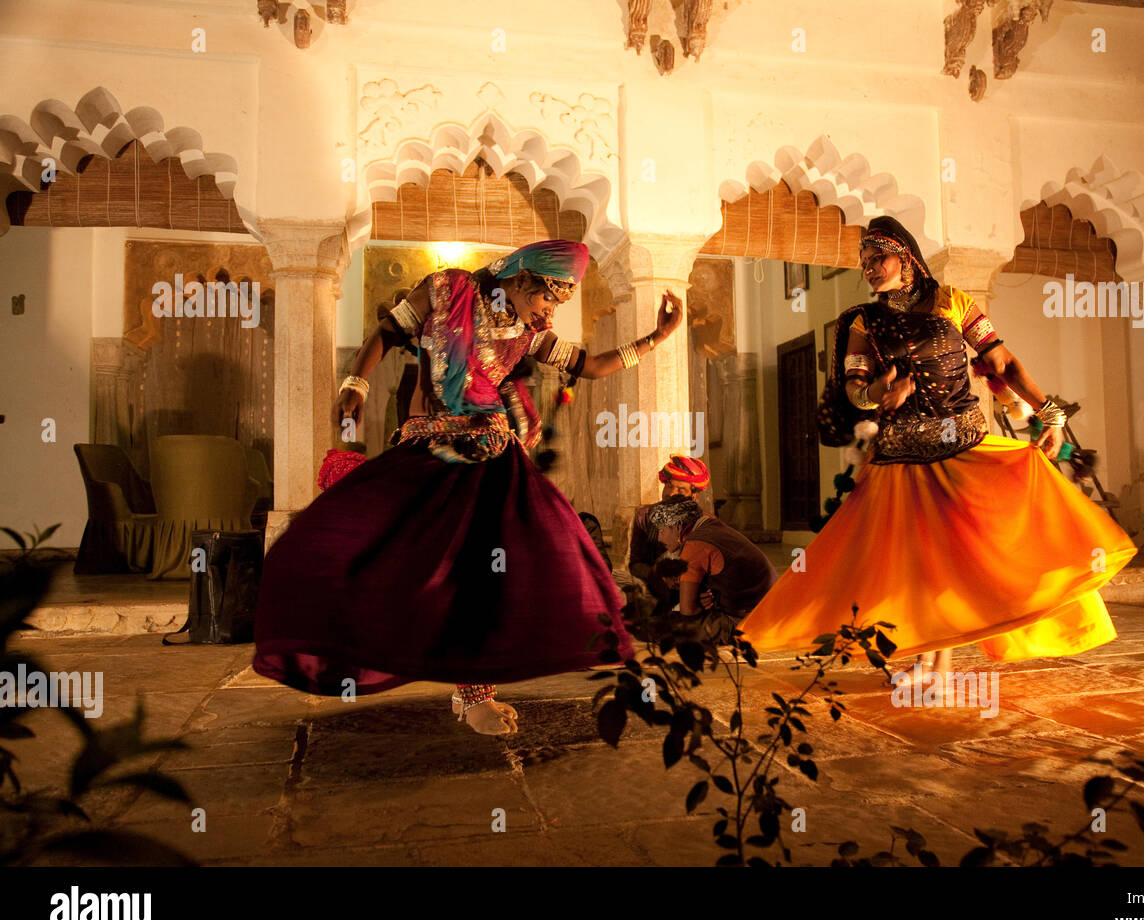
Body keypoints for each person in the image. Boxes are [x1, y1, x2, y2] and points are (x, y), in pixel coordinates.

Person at [252, 239, 685, 735]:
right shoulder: (445, 290)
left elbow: (591, 365)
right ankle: (358, 640)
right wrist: (356, 383)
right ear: (524, 278)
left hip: (494, 454)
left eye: (559, 303)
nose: (549, 312)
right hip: (433, 443)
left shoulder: (529, 332)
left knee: (516, 561)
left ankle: (475, 692)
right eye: (549, 297)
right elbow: (388, 333)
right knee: (385, 551)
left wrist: (657, 337)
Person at [739, 216, 1137, 681]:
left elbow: (1001, 362)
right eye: (864, 262)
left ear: (905, 257)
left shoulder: (952, 302)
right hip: (901, 461)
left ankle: (941, 663)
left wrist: (1049, 414)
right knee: (912, 566)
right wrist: (877, 395)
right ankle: (929, 661)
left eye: (877, 257)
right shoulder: (864, 322)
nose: (869, 267)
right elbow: (853, 388)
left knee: (975, 557)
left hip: (962, 447)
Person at [648, 495, 777, 625]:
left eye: (661, 530)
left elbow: (688, 613)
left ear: (677, 526)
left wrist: (697, 603)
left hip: (752, 619)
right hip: (768, 607)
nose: (659, 538)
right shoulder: (710, 525)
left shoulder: (695, 544)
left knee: (662, 627)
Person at [628, 456, 711, 612]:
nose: (671, 493)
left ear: (693, 496)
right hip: (654, 585)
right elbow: (635, 564)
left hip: (692, 586)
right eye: (668, 486)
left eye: (680, 490)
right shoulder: (644, 516)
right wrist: (658, 574)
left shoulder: (704, 522)